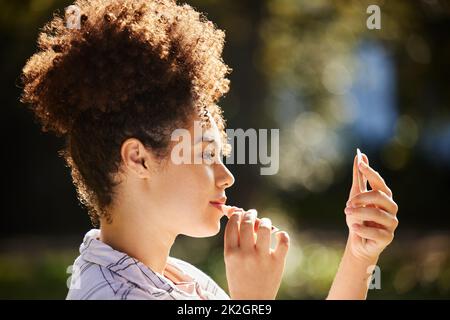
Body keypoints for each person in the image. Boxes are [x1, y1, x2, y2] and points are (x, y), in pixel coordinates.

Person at [20, 0, 398, 300]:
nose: (227, 175)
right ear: (138, 159)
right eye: (203, 154)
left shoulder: (176, 276)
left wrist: (360, 256)